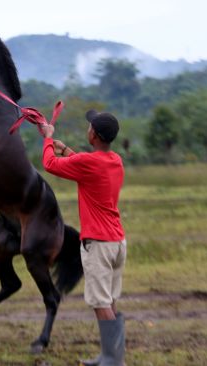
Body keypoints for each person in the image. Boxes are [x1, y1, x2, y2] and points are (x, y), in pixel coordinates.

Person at [40, 110, 126, 366]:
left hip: (98, 244)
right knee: (108, 300)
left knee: (101, 303)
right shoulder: (115, 160)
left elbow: (49, 165)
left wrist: (47, 139)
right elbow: (86, 164)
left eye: (89, 126)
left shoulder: (89, 164)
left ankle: (114, 360)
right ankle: (108, 356)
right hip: (117, 242)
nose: (87, 128)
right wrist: (66, 149)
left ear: (95, 135)